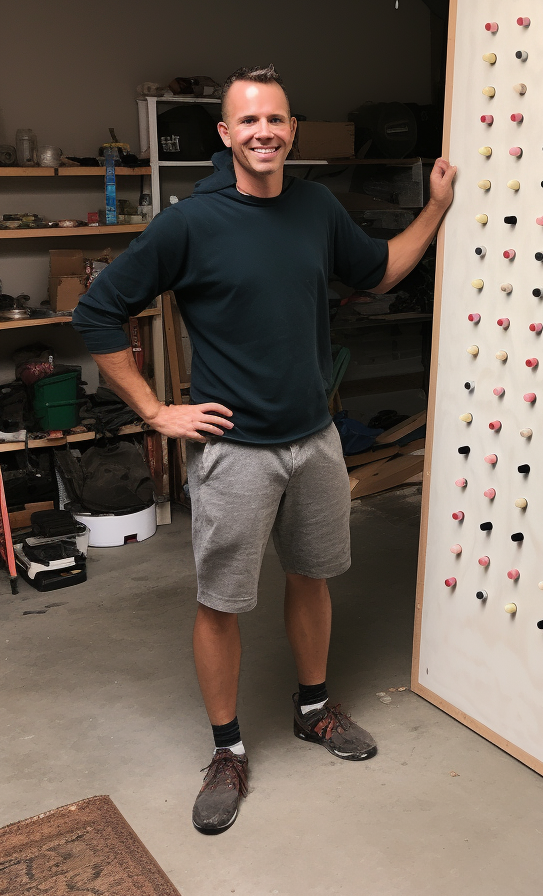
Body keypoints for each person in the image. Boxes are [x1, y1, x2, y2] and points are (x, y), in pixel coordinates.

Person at [72, 64, 456, 835]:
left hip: (313, 439)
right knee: (222, 603)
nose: (264, 133)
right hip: (234, 451)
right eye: (248, 122)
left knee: (312, 578)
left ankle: (313, 710)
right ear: (225, 135)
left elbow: (378, 272)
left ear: (291, 129)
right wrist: (156, 411)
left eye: (276, 120)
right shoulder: (189, 222)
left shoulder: (315, 206)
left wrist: (436, 209)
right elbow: (97, 314)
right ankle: (227, 751)